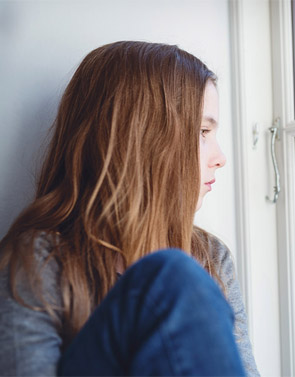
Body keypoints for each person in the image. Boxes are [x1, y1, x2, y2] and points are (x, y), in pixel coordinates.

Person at [0, 41, 260, 376]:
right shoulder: (40, 261)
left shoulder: (212, 256)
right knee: (173, 275)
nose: (220, 157)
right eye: (202, 132)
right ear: (143, 140)